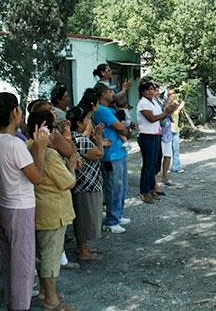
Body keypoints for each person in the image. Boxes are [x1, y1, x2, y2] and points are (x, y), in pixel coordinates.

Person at [0, 92, 49, 311]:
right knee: (23, 263)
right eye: (20, 109)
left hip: (5, 205)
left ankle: (12, 302)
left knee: (10, 261)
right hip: (20, 208)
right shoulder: (14, 144)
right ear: (14, 113)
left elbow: (18, 163)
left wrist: (34, 147)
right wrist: (40, 148)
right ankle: (20, 306)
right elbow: (37, 178)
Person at [26, 110, 79, 311]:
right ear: (44, 131)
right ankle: (51, 300)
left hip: (38, 209)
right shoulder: (48, 154)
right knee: (51, 257)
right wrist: (71, 167)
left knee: (41, 255)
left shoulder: (28, 147)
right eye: (53, 129)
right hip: (54, 212)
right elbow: (67, 183)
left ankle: (44, 293)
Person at [92, 83, 132, 234]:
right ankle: (111, 220)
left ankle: (118, 215)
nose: (113, 94)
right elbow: (120, 127)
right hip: (110, 155)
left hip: (118, 153)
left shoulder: (109, 109)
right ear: (103, 94)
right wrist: (127, 132)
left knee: (121, 188)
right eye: (110, 91)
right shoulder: (101, 110)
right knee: (113, 188)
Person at [67, 107, 105, 261]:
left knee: (83, 216)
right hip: (86, 184)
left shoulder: (77, 138)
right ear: (79, 123)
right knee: (85, 217)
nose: (89, 122)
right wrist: (99, 139)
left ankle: (82, 247)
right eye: (87, 120)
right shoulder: (79, 139)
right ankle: (83, 251)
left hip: (83, 183)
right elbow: (98, 154)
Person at [136, 81, 177, 203]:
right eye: (148, 89)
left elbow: (161, 116)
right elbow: (152, 118)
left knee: (154, 163)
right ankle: (144, 191)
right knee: (148, 164)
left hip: (155, 135)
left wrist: (168, 110)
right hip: (146, 136)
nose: (151, 91)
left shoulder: (153, 101)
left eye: (152, 89)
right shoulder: (143, 103)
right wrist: (166, 112)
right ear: (143, 92)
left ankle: (151, 188)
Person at [168, 87, 185, 173]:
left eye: (173, 93)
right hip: (168, 130)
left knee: (176, 149)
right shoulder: (167, 105)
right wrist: (179, 108)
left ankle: (176, 166)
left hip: (175, 129)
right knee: (168, 151)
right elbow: (170, 115)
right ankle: (166, 167)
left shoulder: (174, 104)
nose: (173, 95)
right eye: (171, 94)